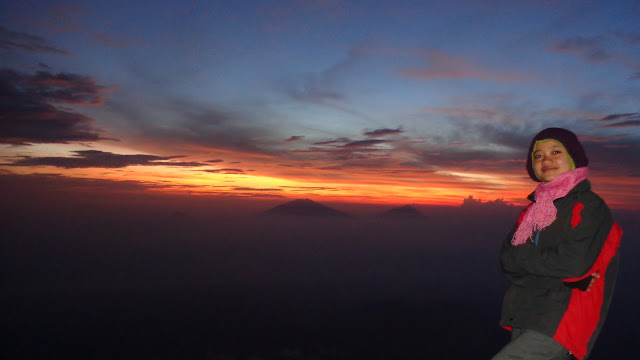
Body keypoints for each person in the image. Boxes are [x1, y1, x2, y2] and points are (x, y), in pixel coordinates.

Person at [492, 128, 622, 360]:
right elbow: (507, 261)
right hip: (524, 313)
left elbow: (572, 266)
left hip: (561, 320)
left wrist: (524, 260)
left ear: (574, 158)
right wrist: (552, 273)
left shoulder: (588, 206)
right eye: (538, 155)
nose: (546, 159)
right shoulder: (531, 212)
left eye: (555, 151)